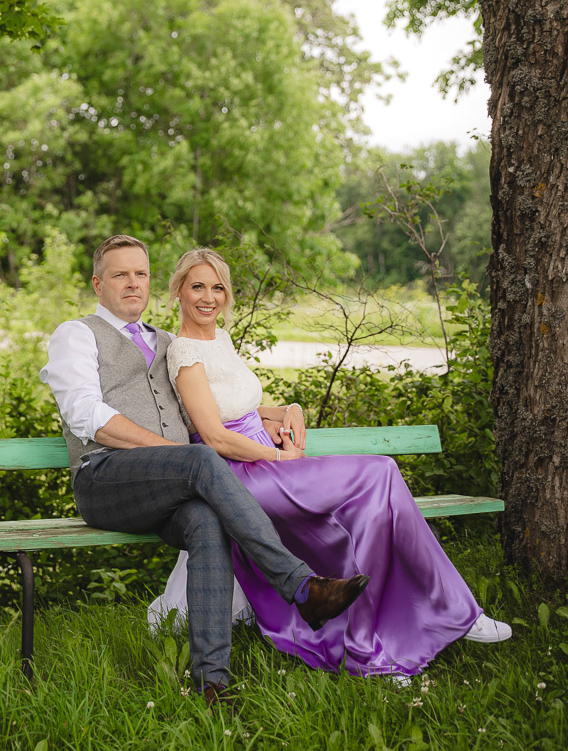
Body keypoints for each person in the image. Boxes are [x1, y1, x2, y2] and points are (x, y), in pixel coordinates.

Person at [150, 247, 512, 680]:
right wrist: (280, 455)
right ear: (178, 291)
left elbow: (240, 407)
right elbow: (214, 436)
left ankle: (375, 643)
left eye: (218, 288)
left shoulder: (220, 340)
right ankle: (454, 611)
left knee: (371, 510)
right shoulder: (184, 353)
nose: (208, 297)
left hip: (262, 459)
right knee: (381, 471)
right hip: (238, 475)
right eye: (197, 287)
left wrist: (289, 409)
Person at [40, 234, 369, 704]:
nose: (133, 283)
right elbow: (85, 414)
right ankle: (300, 585)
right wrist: (173, 453)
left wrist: (278, 413)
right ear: (98, 284)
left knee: (207, 522)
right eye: (120, 275)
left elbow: (212, 408)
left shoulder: (168, 343)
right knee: (199, 458)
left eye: (141, 273)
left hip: (167, 485)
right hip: (104, 478)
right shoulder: (76, 334)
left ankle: (211, 682)